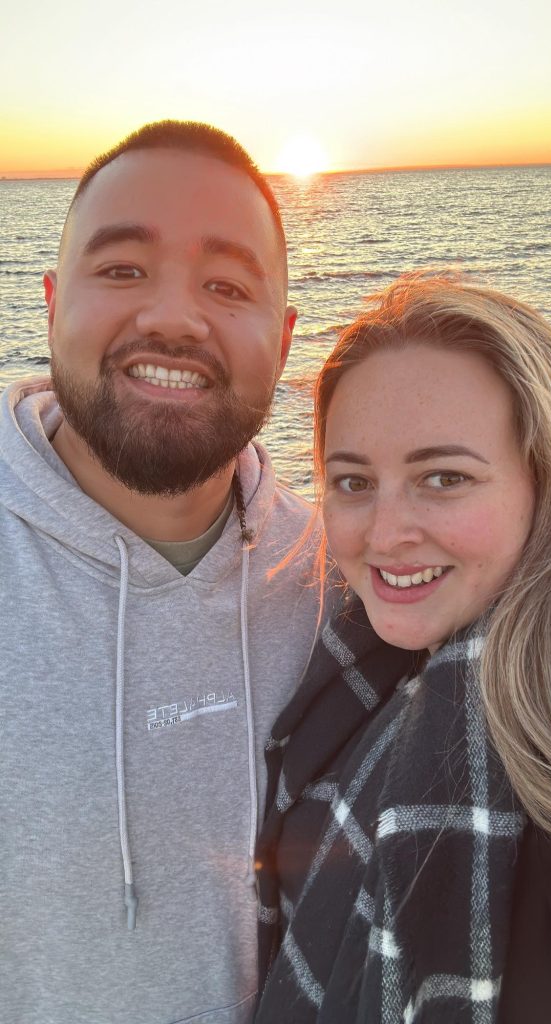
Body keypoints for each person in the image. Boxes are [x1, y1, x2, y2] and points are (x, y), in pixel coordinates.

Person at [0, 121, 326, 1024]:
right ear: (53, 301)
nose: (175, 318)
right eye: (122, 270)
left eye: (226, 286)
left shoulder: (349, 584)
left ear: (287, 336)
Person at [255, 274, 551, 1023]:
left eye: (443, 477)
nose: (386, 532)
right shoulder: (354, 666)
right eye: (354, 481)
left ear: (547, 481)